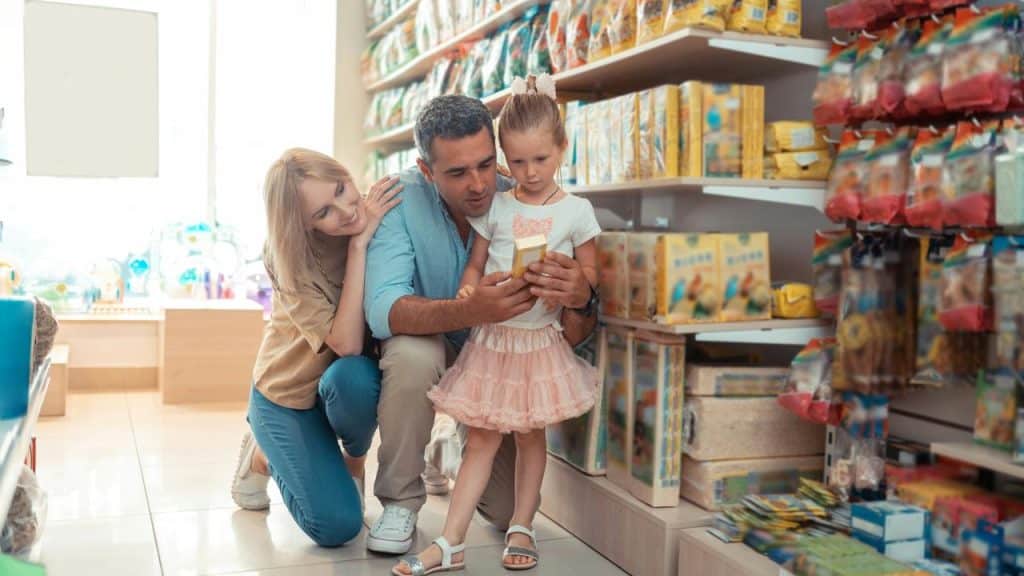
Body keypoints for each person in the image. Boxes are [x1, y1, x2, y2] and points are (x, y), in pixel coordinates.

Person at [363, 93, 599, 557]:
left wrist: (581, 295)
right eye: (456, 172)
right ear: (427, 170)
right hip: (448, 347)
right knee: (415, 353)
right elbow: (382, 311)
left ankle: (447, 449)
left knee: (506, 503)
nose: (478, 184)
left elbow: (578, 324)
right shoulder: (401, 200)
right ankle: (401, 501)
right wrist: (471, 307)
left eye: (487, 165)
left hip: (515, 356)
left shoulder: (525, 190)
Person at [229, 148, 401, 547]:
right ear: (303, 225)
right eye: (323, 212)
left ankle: (352, 464)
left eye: (342, 188)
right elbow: (346, 341)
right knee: (337, 527)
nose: (346, 210)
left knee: (357, 377)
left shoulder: (378, 208)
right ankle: (262, 454)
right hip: (286, 395)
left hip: (340, 386)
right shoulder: (285, 254)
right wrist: (358, 247)